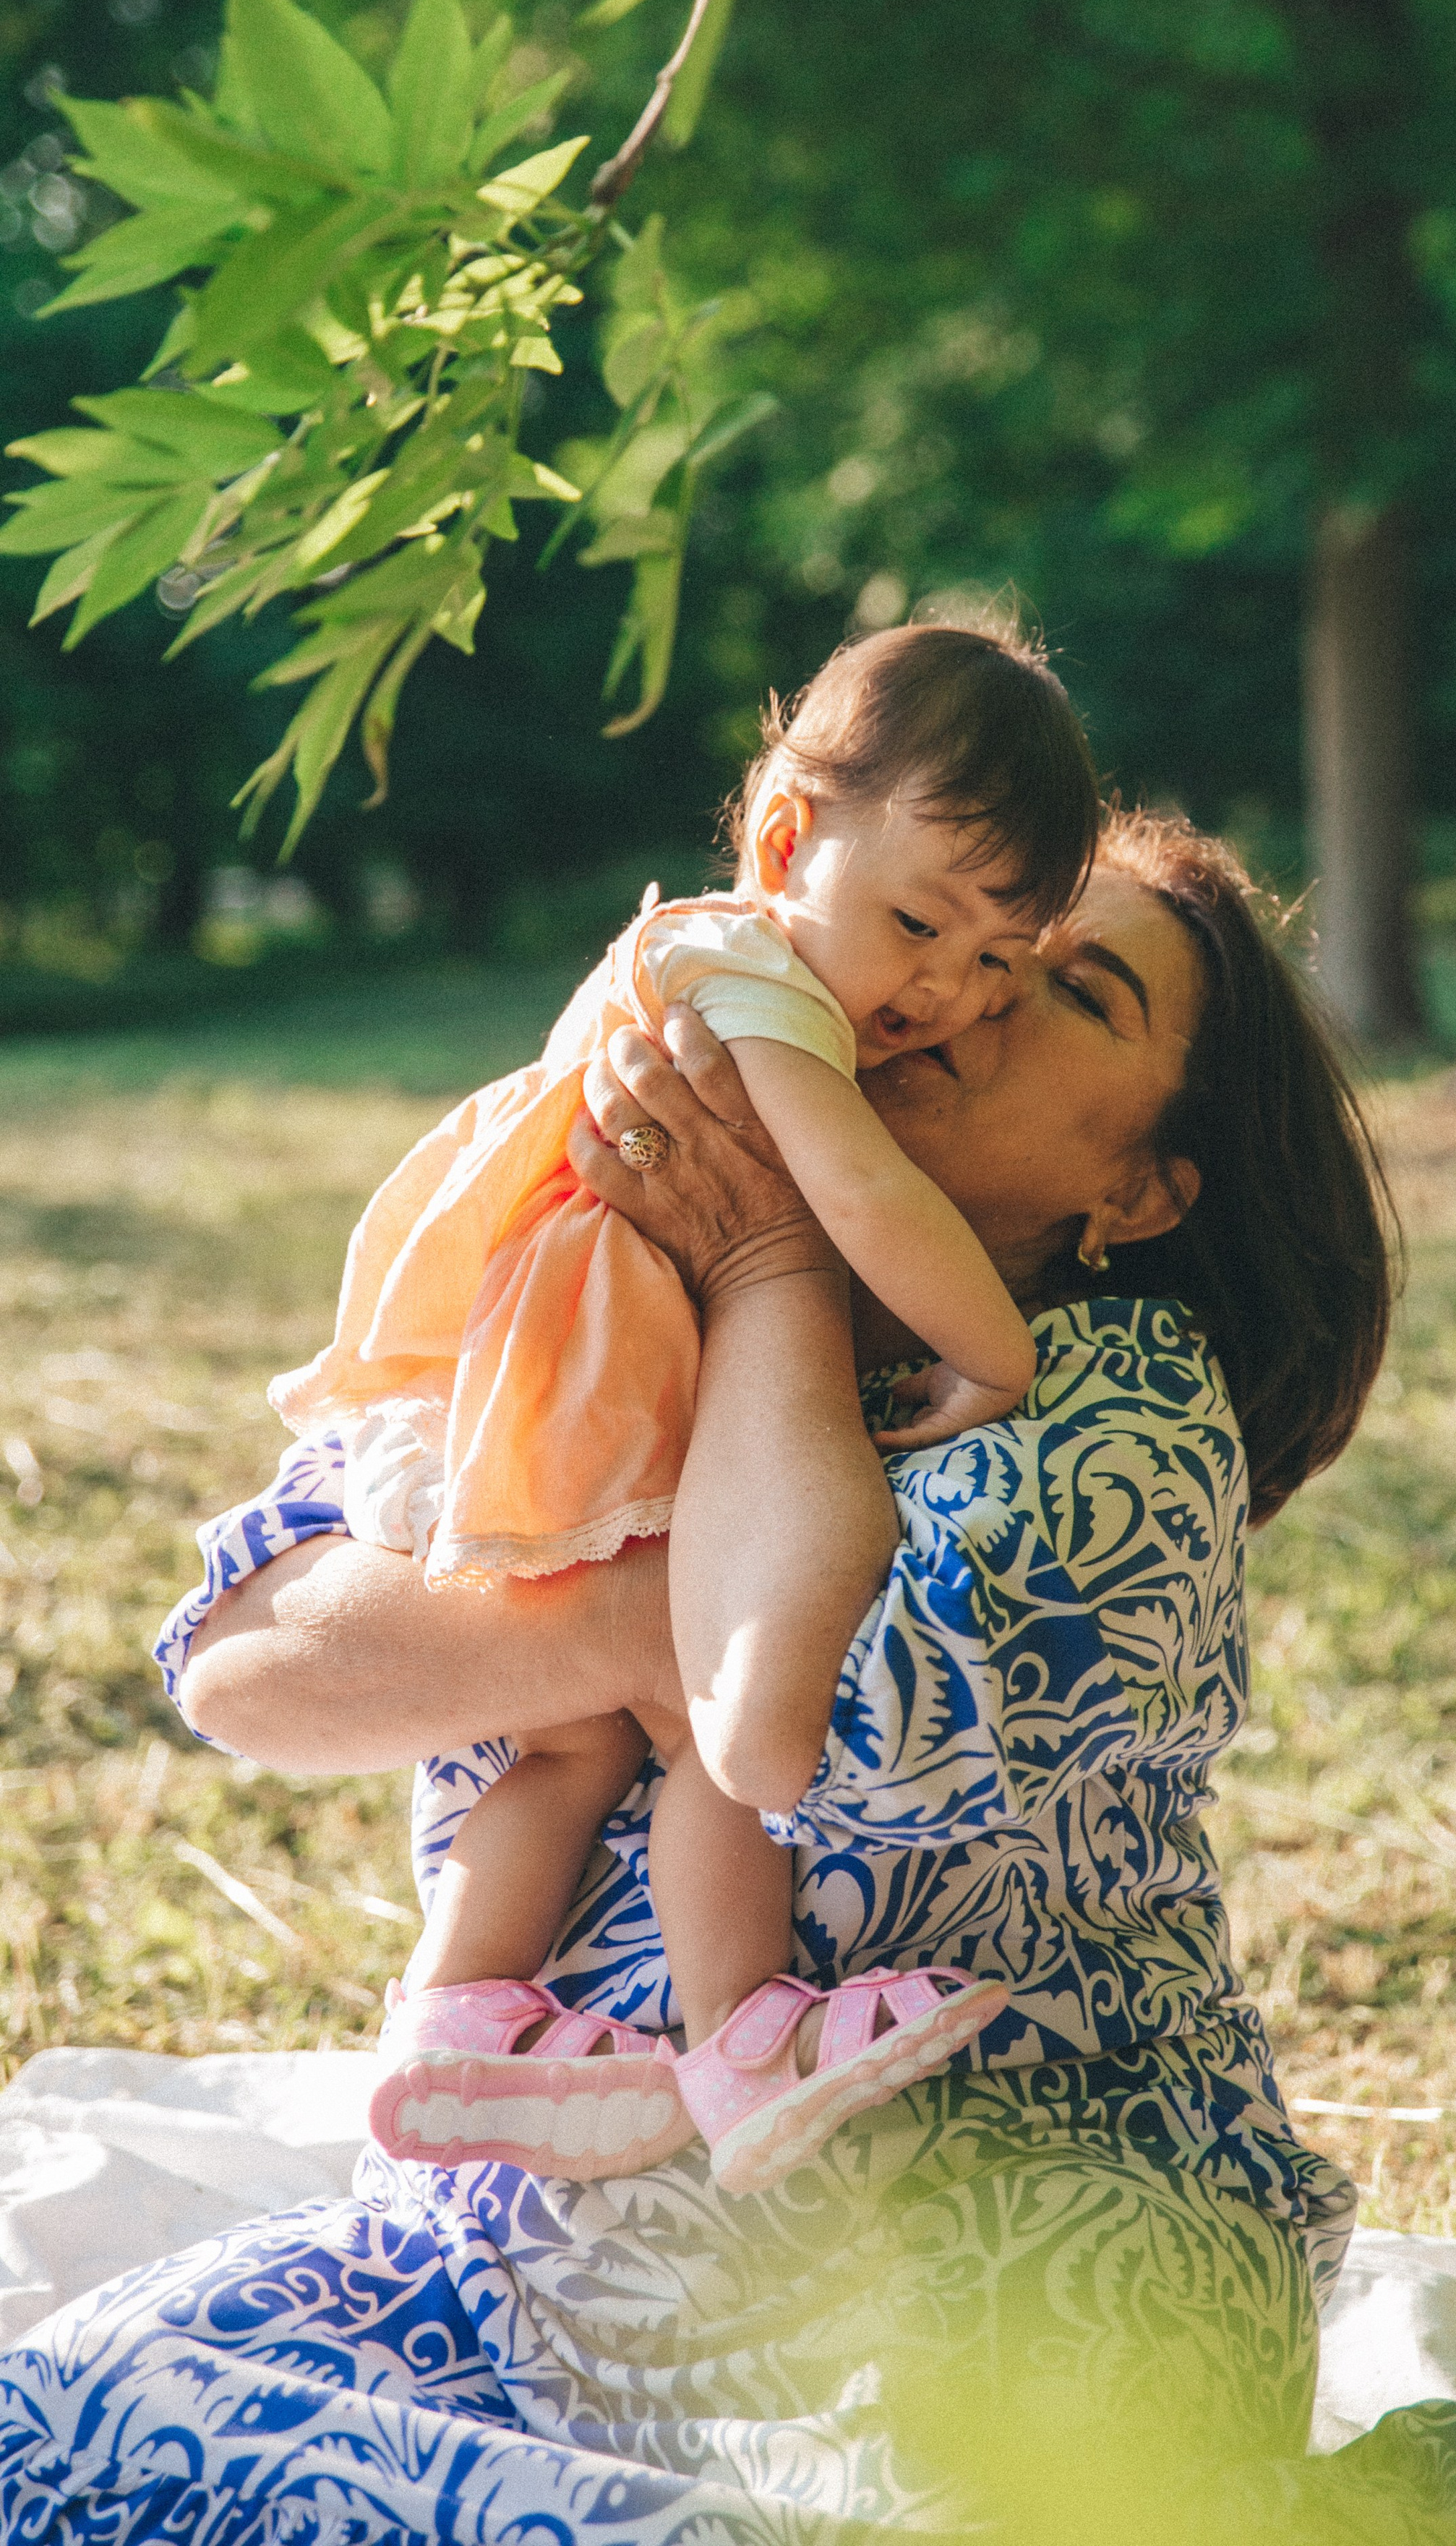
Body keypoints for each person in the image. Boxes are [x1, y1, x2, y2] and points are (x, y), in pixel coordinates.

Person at [0, 804, 1456, 2544]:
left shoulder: (1120, 1413)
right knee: (62, 2438)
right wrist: (624, 1603)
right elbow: (240, 1664)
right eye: (957, 934)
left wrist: (768, 1271)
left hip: (977, 2275)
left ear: (1135, 1185)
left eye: (1065, 983)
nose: (958, 994)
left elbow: (810, 1722)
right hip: (502, 2282)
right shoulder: (595, 1320)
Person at [273, 624, 1095, 2192]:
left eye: (996, 964)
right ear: (787, 837)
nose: (943, 987)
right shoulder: (746, 970)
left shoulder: (763, 970)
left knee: (571, 1747)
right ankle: (742, 2039)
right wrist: (990, 1353)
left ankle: (453, 2021)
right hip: (587, 1380)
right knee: (693, 1721)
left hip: (549, 1373)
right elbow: (857, 1192)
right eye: (918, 922)